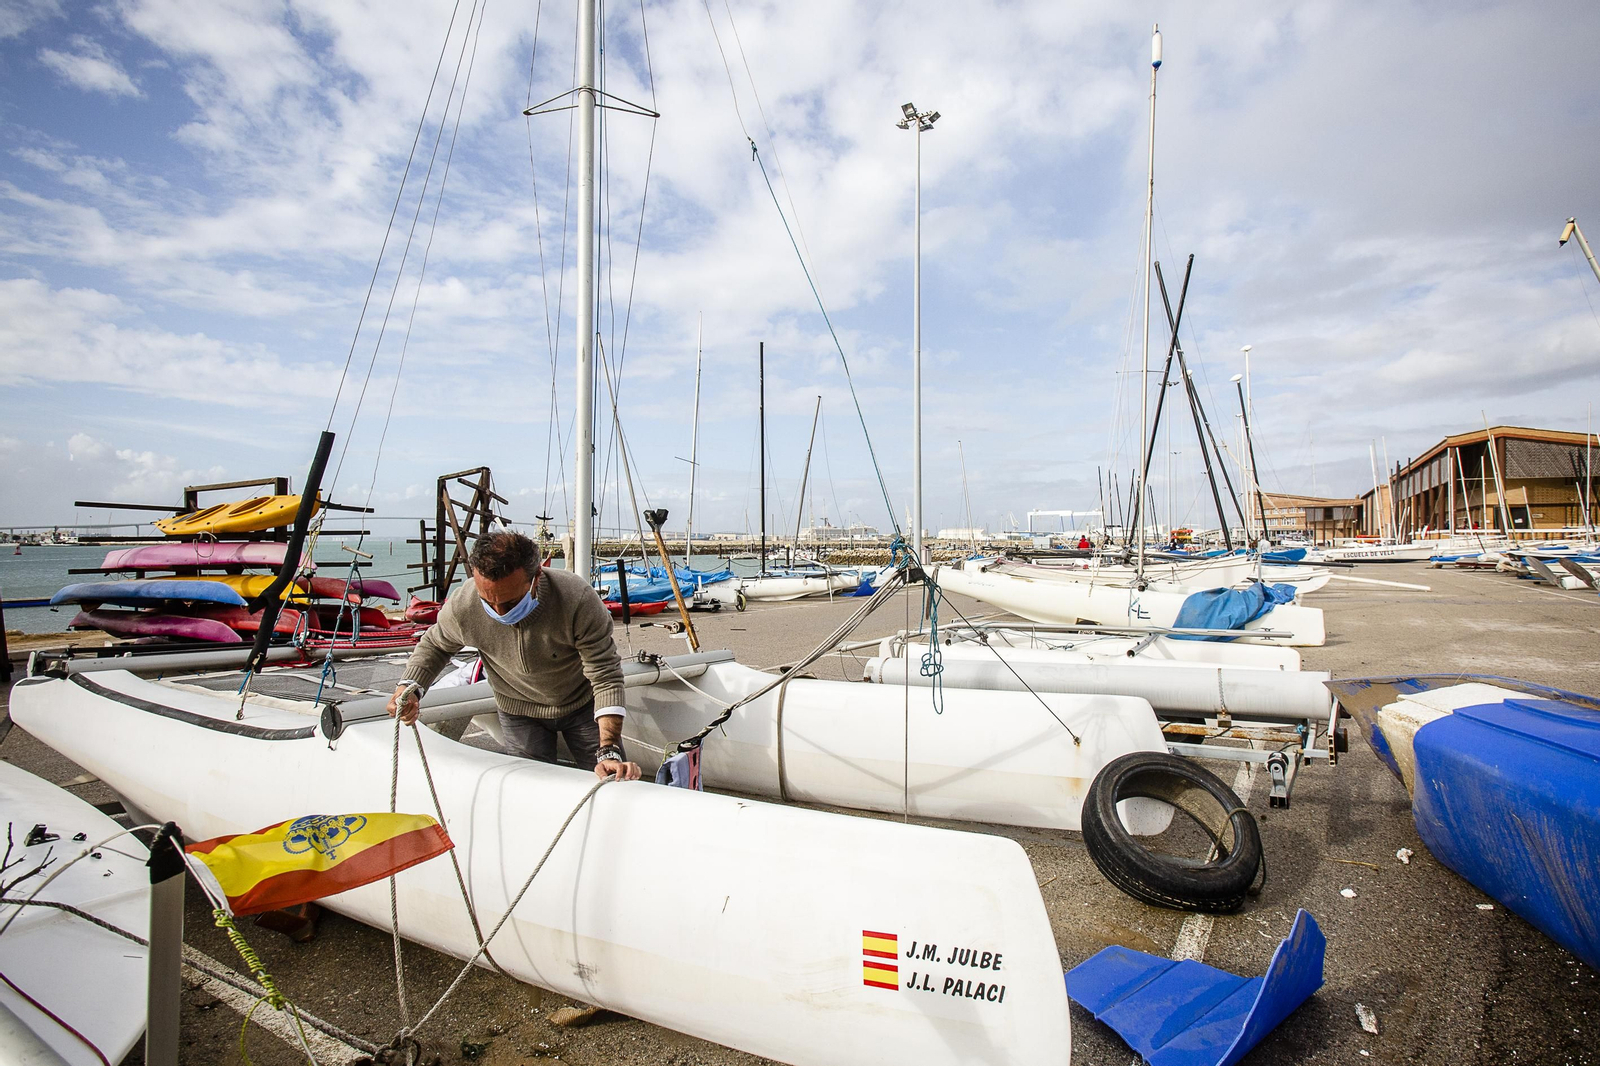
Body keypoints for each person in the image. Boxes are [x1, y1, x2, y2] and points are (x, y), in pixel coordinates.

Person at [386, 530, 641, 781]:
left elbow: (605, 675)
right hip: (518, 709)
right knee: (531, 787)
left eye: (510, 603)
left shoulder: (577, 599)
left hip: (581, 704)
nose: (499, 611)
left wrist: (609, 749)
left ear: (536, 576)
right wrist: (409, 688)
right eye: (488, 601)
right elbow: (435, 644)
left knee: (608, 780)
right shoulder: (464, 604)